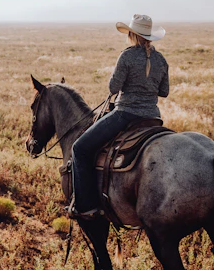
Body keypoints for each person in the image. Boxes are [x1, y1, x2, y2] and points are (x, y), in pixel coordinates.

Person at [68, 14, 169, 220]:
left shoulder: (127, 56)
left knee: (80, 149)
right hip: (153, 118)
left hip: (126, 114)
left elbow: (113, 88)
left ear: (132, 34)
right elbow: (164, 91)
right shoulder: (161, 60)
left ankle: (86, 206)